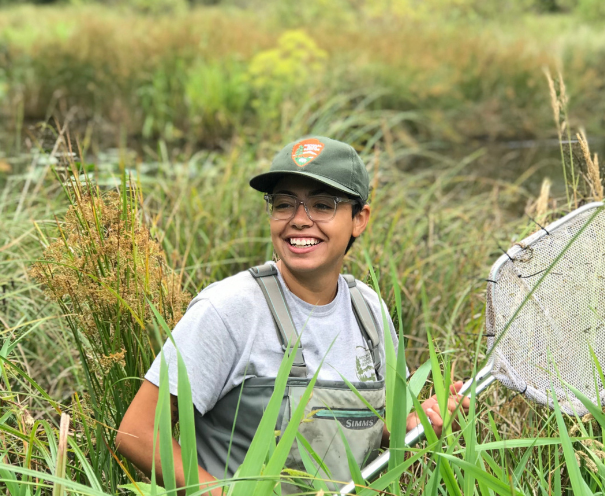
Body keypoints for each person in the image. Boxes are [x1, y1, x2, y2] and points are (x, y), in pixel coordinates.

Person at [114, 136, 465, 494]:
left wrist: (417, 421)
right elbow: (137, 432)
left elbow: (379, 429)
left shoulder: (369, 310)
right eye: (284, 204)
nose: (299, 220)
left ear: (360, 219)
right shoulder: (230, 309)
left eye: (322, 205)